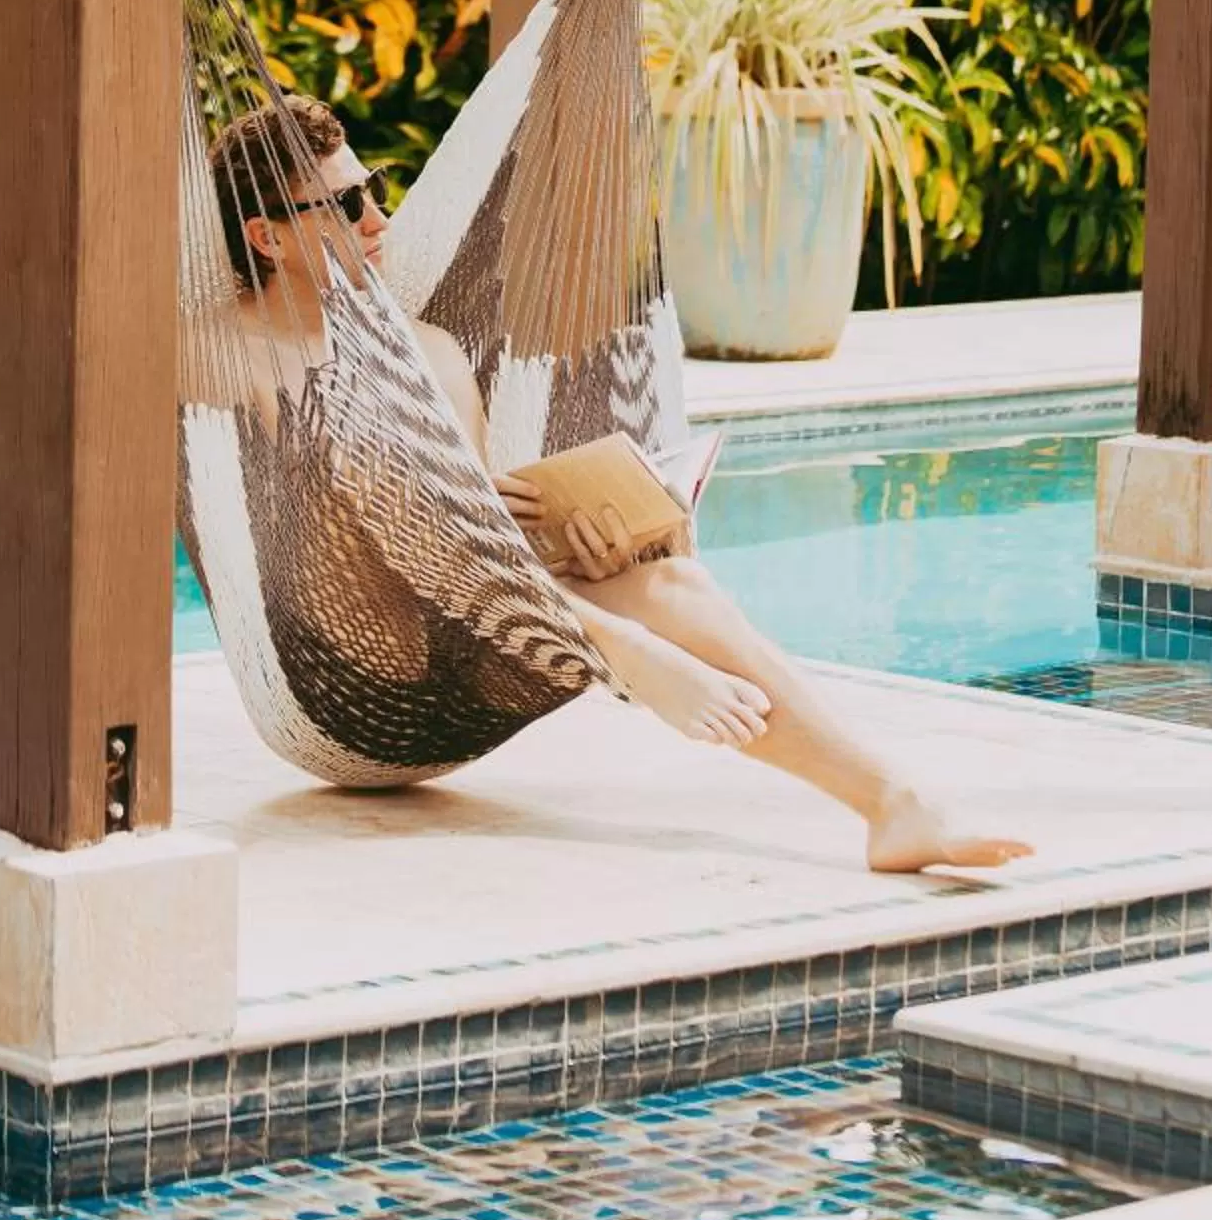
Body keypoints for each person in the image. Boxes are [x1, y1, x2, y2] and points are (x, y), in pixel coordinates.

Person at [216, 95, 1030, 876]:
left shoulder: (430, 351)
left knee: (667, 578)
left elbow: (470, 535)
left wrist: (569, 542)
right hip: (344, 679)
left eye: (376, 190)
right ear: (266, 236)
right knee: (373, 457)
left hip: (458, 658)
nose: (376, 218)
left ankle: (895, 803)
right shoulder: (223, 355)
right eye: (344, 202)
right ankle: (623, 647)